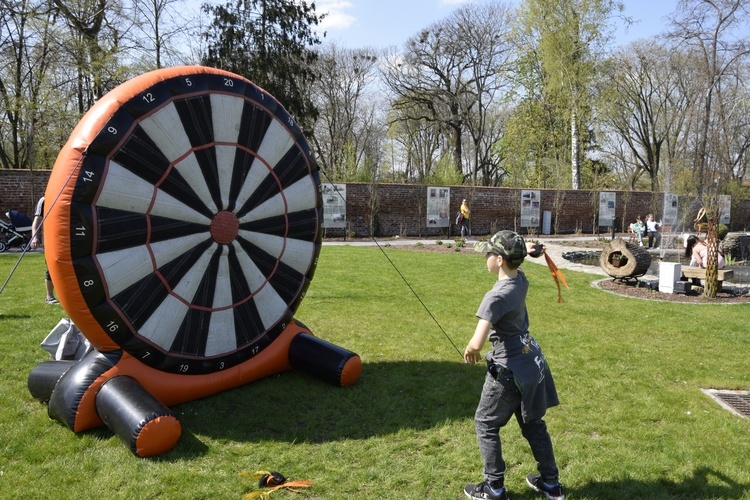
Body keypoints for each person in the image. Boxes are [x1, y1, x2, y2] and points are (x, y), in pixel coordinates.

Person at [463, 231, 564, 500]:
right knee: (533, 424)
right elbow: (519, 258)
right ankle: (551, 483)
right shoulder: (519, 280)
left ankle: (494, 488)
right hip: (530, 361)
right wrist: (529, 250)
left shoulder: (495, 296)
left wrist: (471, 349)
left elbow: (478, 339)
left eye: (488, 254)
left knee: (485, 423)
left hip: (508, 371)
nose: (485, 257)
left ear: (498, 260)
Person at [29, 196, 58, 304]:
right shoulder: (45, 200)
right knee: (51, 268)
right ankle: (50, 297)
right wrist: (34, 237)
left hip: (69, 239)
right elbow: (37, 221)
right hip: (51, 241)